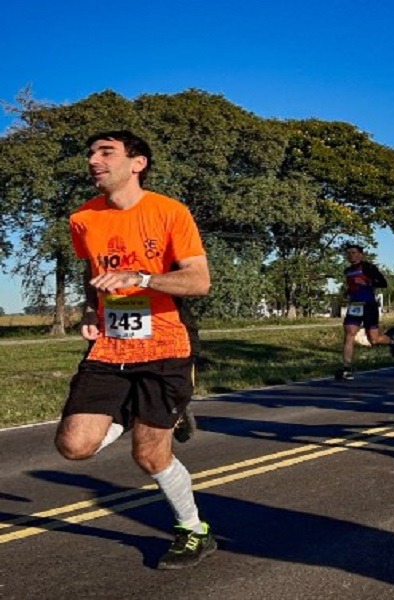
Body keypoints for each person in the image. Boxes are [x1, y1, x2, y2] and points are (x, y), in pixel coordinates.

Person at [57, 130, 216, 568]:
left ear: (137, 163)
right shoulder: (82, 219)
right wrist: (91, 311)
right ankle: (140, 410)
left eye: (106, 152)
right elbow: (93, 273)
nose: (94, 160)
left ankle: (193, 530)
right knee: (74, 445)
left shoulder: (169, 212)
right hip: (112, 345)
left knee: (149, 455)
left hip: (166, 342)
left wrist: (141, 278)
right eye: (90, 152)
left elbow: (198, 281)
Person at [335, 245, 394, 381]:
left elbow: (383, 283)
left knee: (373, 339)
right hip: (355, 305)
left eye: (353, 253)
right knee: (349, 335)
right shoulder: (347, 270)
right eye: (348, 253)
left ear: (361, 254)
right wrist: (347, 293)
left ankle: (392, 341)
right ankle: (346, 369)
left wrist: (368, 282)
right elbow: (351, 286)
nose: (350, 256)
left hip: (369, 306)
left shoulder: (368, 268)